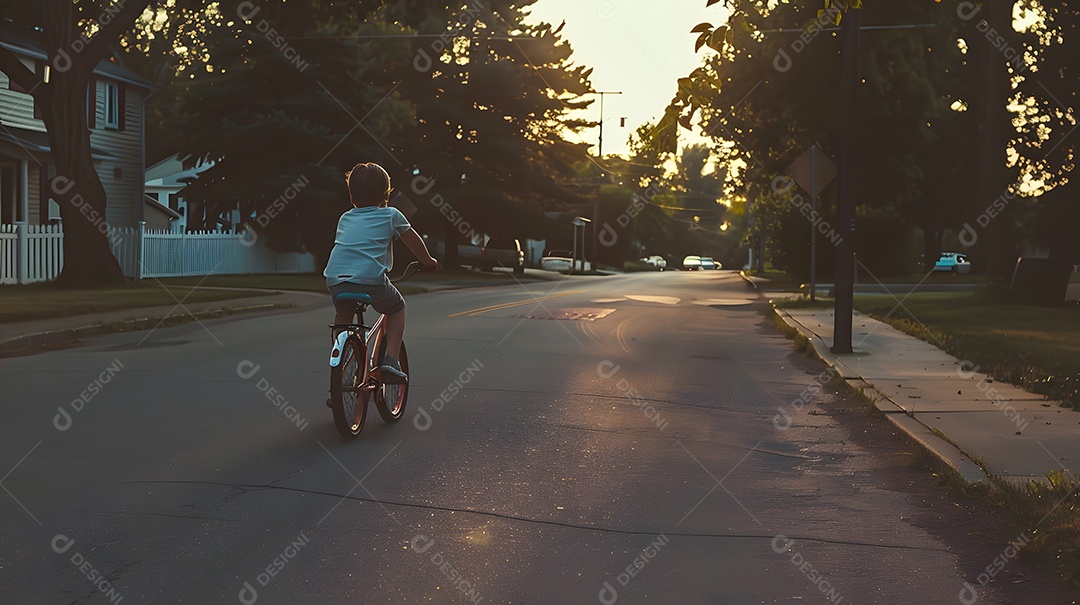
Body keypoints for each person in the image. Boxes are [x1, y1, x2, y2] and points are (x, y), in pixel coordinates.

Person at [324, 162, 438, 383]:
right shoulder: (391, 215)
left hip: (336, 280)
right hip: (369, 280)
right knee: (396, 307)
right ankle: (391, 361)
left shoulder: (345, 217)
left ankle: (343, 362)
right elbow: (413, 241)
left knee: (344, 317)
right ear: (385, 192)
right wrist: (428, 261)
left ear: (352, 193)